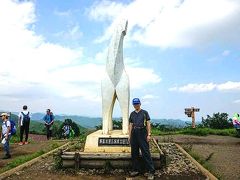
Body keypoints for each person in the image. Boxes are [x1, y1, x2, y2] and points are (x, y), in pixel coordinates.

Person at [129, 98, 155, 180]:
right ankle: (136, 170)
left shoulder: (144, 113)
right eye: (134, 104)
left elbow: (148, 124)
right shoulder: (132, 114)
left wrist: (149, 134)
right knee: (134, 152)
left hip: (143, 132)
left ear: (140, 104)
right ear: (133, 105)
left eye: (137, 104)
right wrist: (129, 136)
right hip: (134, 133)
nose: (136, 105)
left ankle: (151, 171)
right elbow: (130, 125)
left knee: (145, 152)